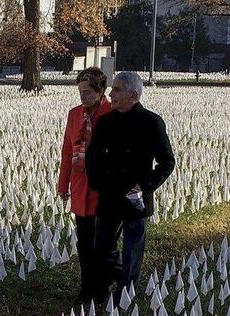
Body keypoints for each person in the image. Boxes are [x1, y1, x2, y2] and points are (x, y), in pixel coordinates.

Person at [85, 70, 176, 302]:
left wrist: (145, 186)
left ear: (133, 95)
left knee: (133, 250)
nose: (111, 93)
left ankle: (126, 295)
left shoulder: (152, 123)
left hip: (135, 198)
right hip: (109, 194)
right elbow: (93, 156)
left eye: (116, 89)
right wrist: (98, 183)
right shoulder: (105, 122)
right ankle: (112, 282)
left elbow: (167, 161)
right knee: (103, 247)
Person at [57, 67, 112, 304]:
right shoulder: (74, 114)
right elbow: (67, 151)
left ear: (101, 92)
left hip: (104, 188)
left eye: (88, 92)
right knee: (84, 240)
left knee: (104, 241)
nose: (83, 96)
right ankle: (86, 286)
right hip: (81, 187)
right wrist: (63, 185)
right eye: (80, 91)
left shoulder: (112, 115)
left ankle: (102, 287)